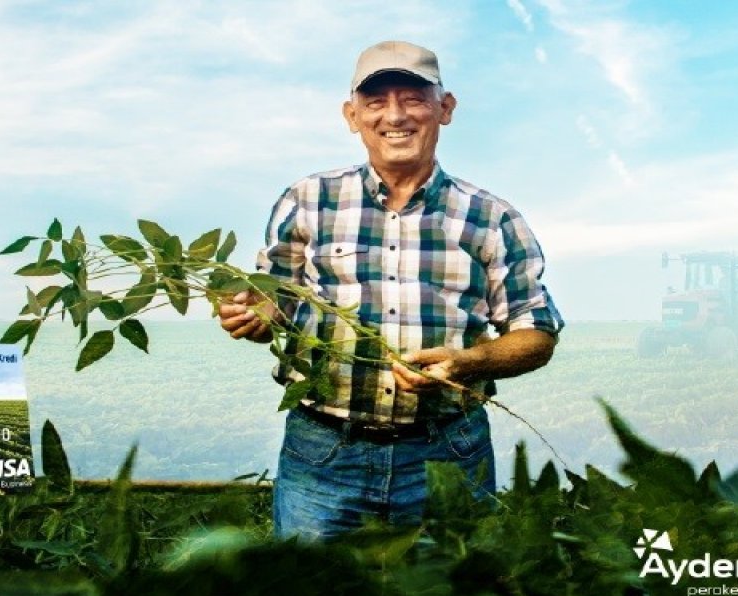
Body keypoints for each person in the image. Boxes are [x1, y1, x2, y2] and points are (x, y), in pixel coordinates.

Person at [218, 40, 564, 540]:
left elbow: (537, 333)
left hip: (448, 451)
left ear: (445, 109)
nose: (395, 116)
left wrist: (466, 363)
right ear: (352, 115)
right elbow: (279, 301)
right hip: (323, 452)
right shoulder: (308, 200)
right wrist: (252, 315)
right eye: (376, 102)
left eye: (414, 98)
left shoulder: (492, 217)